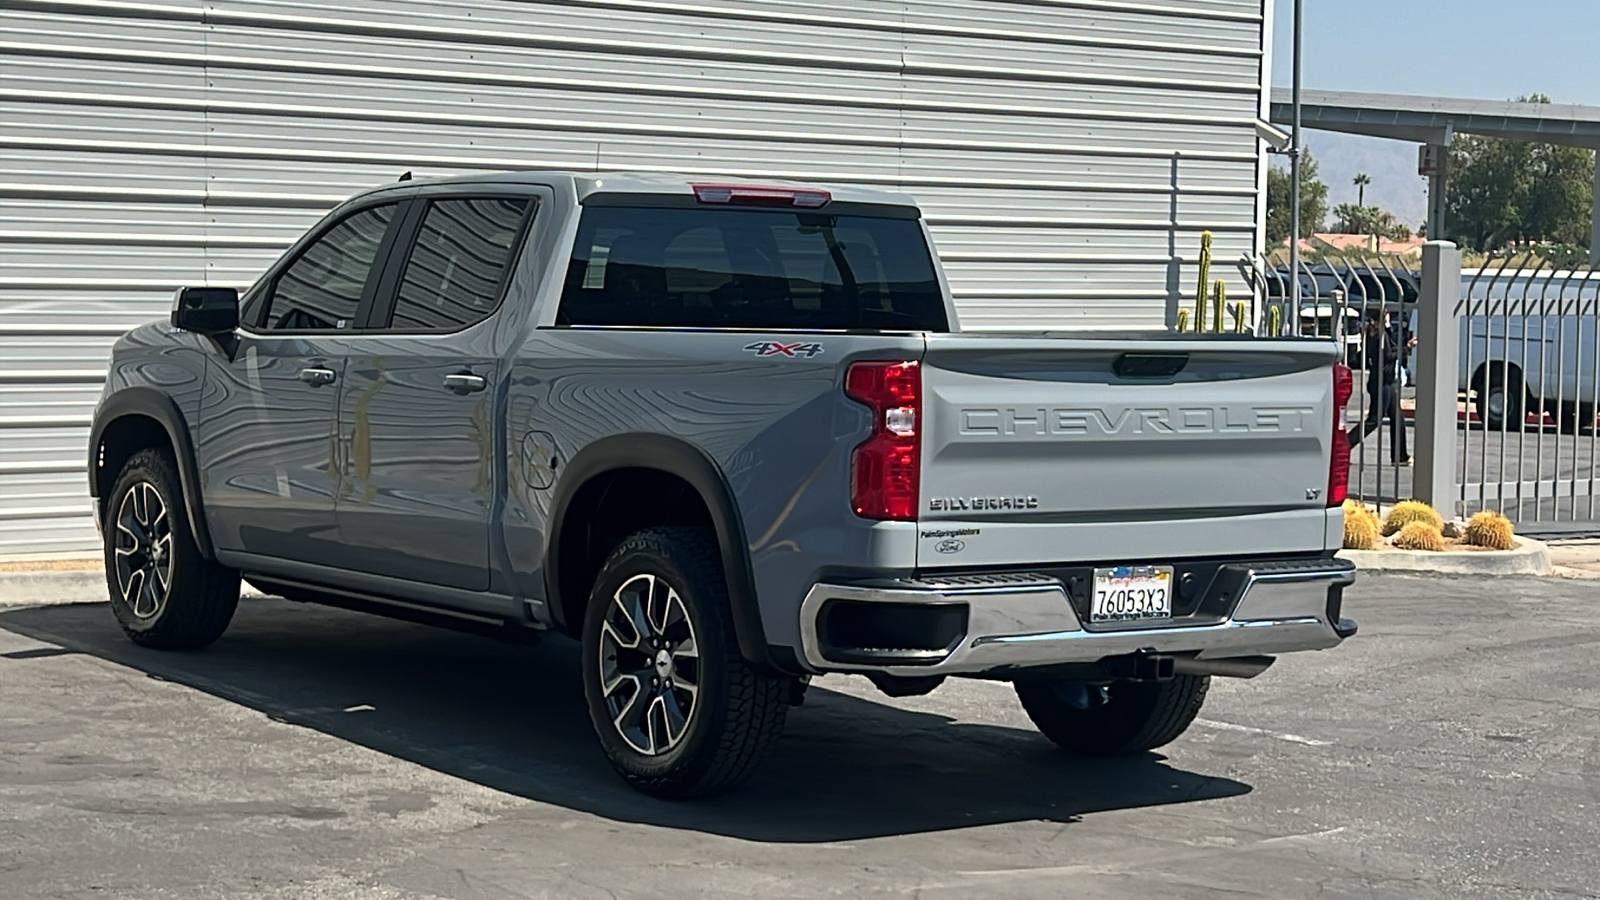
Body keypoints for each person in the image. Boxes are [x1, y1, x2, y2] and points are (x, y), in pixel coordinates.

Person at [1348, 309, 1415, 463]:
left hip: (1386, 381)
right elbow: (1388, 356)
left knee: (1397, 418)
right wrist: (1408, 348)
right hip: (1382, 382)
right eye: (1386, 314)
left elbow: (1390, 348)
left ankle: (1400, 456)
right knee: (1374, 420)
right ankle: (1345, 445)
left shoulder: (1377, 333)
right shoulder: (1379, 335)